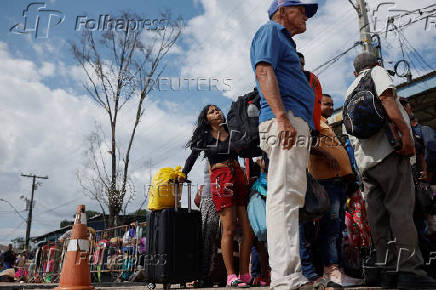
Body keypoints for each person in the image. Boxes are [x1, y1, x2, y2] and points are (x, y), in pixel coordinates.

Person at [345, 52, 436, 289]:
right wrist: (406, 134)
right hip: (389, 155)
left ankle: (387, 271)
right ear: (376, 63)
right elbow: (387, 100)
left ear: (355, 72)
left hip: (366, 165)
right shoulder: (377, 73)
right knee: (401, 213)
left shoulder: (349, 89)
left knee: (378, 220)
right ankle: (409, 271)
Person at [250, 0, 318, 289]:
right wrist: (282, 118)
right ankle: (286, 279)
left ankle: (290, 276)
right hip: (285, 119)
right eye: (301, 9)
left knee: (290, 197)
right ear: (282, 11)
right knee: (284, 197)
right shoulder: (271, 31)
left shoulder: (284, 40)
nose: (305, 15)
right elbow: (264, 71)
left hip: (293, 120)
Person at [180, 104, 254, 287]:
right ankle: (231, 276)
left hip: (238, 175)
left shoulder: (232, 130)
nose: (217, 112)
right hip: (221, 179)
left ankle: (245, 273)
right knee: (228, 228)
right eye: (212, 111)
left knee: (248, 230)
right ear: (206, 118)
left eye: (218, 109)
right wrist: (183, 174)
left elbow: (245, 151)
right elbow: (193, 156)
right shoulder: (204, 136)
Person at [309, 94, 363, 287]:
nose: (331, 107)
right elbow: (305, 142)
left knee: (338, 226)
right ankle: (330, 271)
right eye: (327, 104)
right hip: (326, 181)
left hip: (338, 181)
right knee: (330, 227)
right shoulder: (313, 120)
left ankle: (338, 271)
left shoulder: (326, 124)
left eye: (332, 104)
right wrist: (326, 154)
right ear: (317, 104)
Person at [198, 159, 220, 287]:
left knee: (209, 239)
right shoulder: (211, 155)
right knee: (207, 238)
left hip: (215, 196)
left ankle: (205, 275)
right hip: (211, 197)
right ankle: (202, 276)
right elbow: (215, 174)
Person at [297, 52, 323, 133]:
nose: (302, 67)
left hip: (309, 127)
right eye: (298, 63)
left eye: (303, 64)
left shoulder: (310, 78)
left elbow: (316, 104)